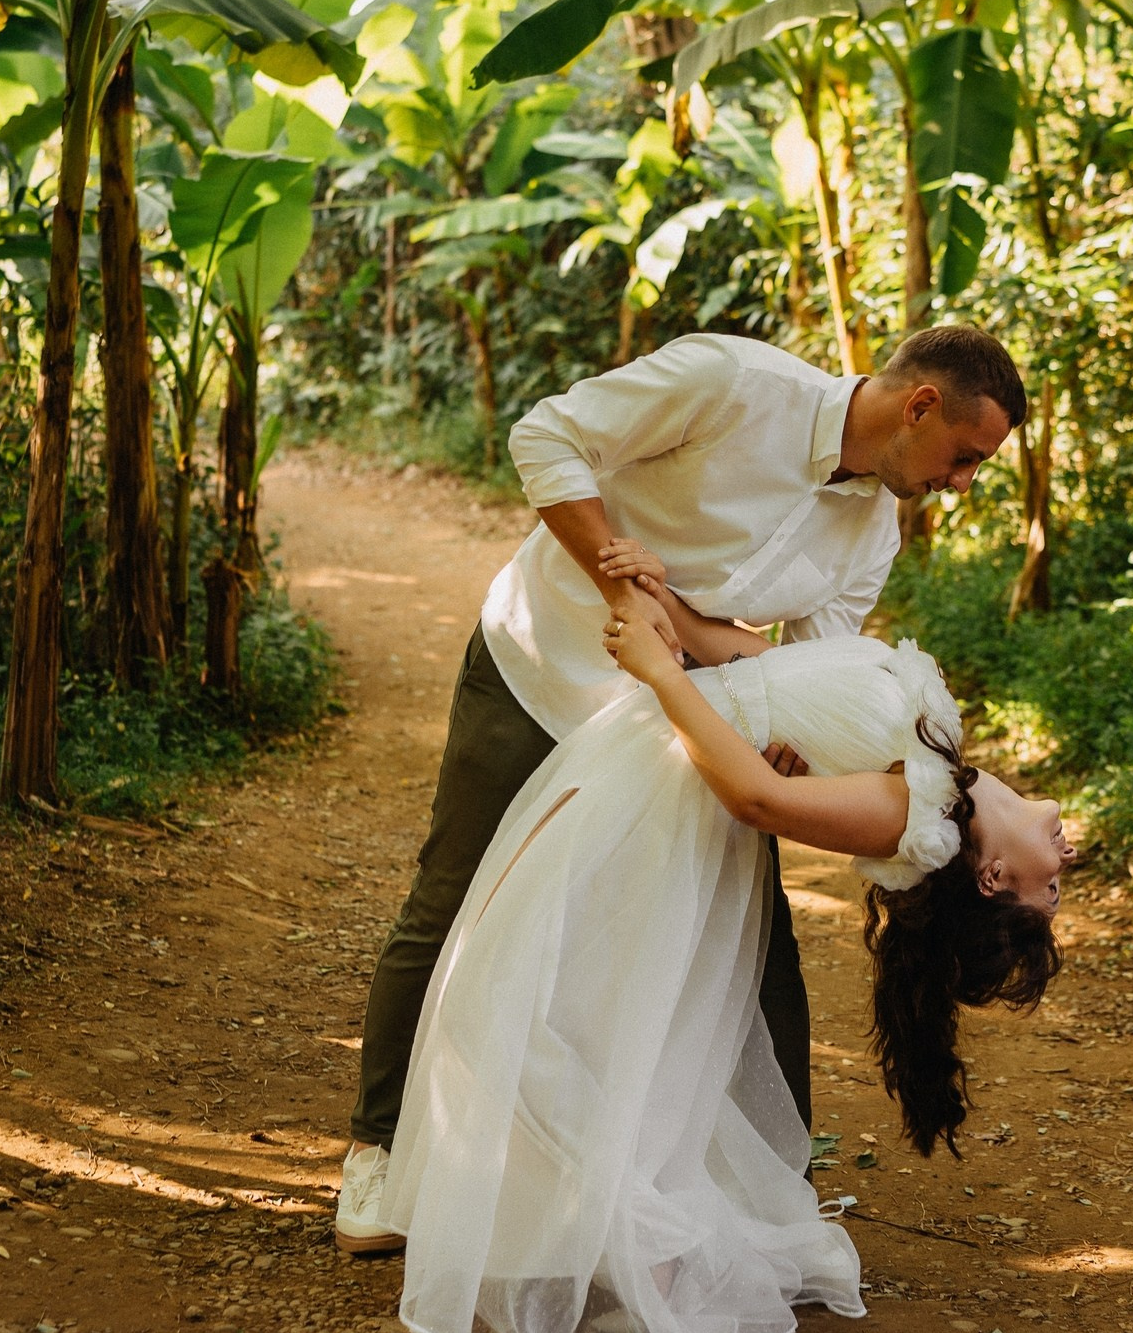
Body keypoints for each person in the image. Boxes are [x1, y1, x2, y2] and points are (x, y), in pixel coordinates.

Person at [337, 323, 1027, 1254]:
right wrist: (620, 587)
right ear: (919, 405)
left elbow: (810, 669)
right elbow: (547, 435)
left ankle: (776, 1192)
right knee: (456, 892)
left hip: (682, 726)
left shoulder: (871, 533)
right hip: (544, 665)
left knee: (753, 936)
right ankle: (378, 1152)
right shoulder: (730, 382)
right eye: (965, 456)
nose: (962, 481)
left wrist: (790, 740)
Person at [383, 601, 1068, 1333]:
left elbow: (757, 798)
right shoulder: (941, 768)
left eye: (1049, 893)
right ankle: (618, 1235)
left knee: (534, 995)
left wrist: (660, 669)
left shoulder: (914, 813)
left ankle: (646, 1246)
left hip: (661, 784)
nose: (1065, 862)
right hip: (647, 747)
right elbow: (765, 668)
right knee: (544, 985)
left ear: (993, 879)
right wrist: (665, 609)